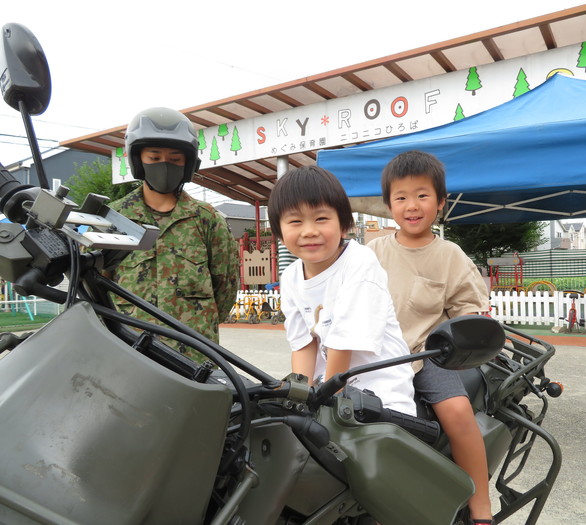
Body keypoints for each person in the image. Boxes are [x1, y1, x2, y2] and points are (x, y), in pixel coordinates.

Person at [367, 150, 493, 524]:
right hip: (376, 355)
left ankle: (481, 505)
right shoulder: (372, 252)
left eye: (422, 195)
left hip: (426, 355)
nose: (412, 206)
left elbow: (469, 311)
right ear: (388, 205)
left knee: (457, 412)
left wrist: (465, 332)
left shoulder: (450, 255)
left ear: (440, 202)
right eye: (401, 197)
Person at [268, 165, 416, 415]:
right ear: (279, 233)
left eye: (321, 219)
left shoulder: (359, 261)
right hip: (328, 392)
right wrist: (300, 399)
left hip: (381, 396)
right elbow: (304, 345)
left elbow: (342, 344)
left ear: (344, 224)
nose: (309, 231)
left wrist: (324, 404)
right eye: (295, 221)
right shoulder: (291, 276)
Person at [109, 107, 238, 360]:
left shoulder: (208, 220)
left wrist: (200, 323)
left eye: (175, 159)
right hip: (129, 355)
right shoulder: (114, 219)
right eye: (154, 157)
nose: (164, 165)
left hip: (194, 359)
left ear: (187, 163)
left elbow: (225, 289)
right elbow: (95, 285)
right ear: (138, 160)